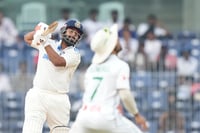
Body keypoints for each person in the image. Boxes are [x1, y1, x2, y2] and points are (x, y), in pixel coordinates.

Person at [69, 24, 148, 133]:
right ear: (112, 45)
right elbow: (125, 95)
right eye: (116, 39)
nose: (119, 40)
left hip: (84, 118)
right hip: (106, 118)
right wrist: (137, 115)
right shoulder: (121, 65)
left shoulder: (91, 68)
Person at [22, 19, 84, 133]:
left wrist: (44, 41)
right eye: (71, 31)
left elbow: (58, 62)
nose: (73, 35)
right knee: (31, 129)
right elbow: (27, 38)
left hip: (59, 99)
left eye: (77, 35)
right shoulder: (50, 42)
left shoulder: (75, 54)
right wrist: (40, 31)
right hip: (38, 95)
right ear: (63, 31)